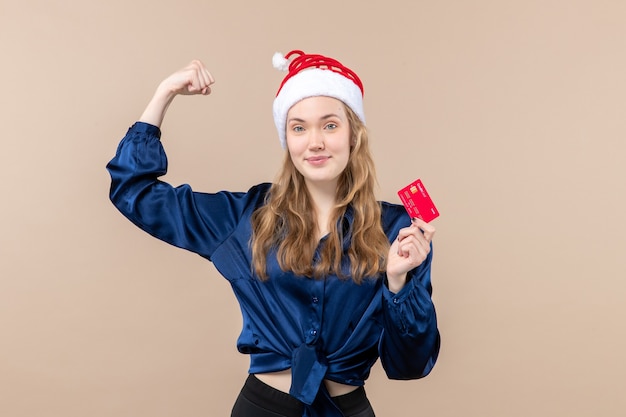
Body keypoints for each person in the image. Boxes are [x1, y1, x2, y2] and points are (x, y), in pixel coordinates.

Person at [107, 50, 440, 417]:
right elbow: (134, 193)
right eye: (299, 127)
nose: (314, 142)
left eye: (330, 125)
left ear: (353, 135)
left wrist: (397, 284)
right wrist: (164, 92)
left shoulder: (398, 230)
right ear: (288, 139)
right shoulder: (247, 216)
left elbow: (409, 365)